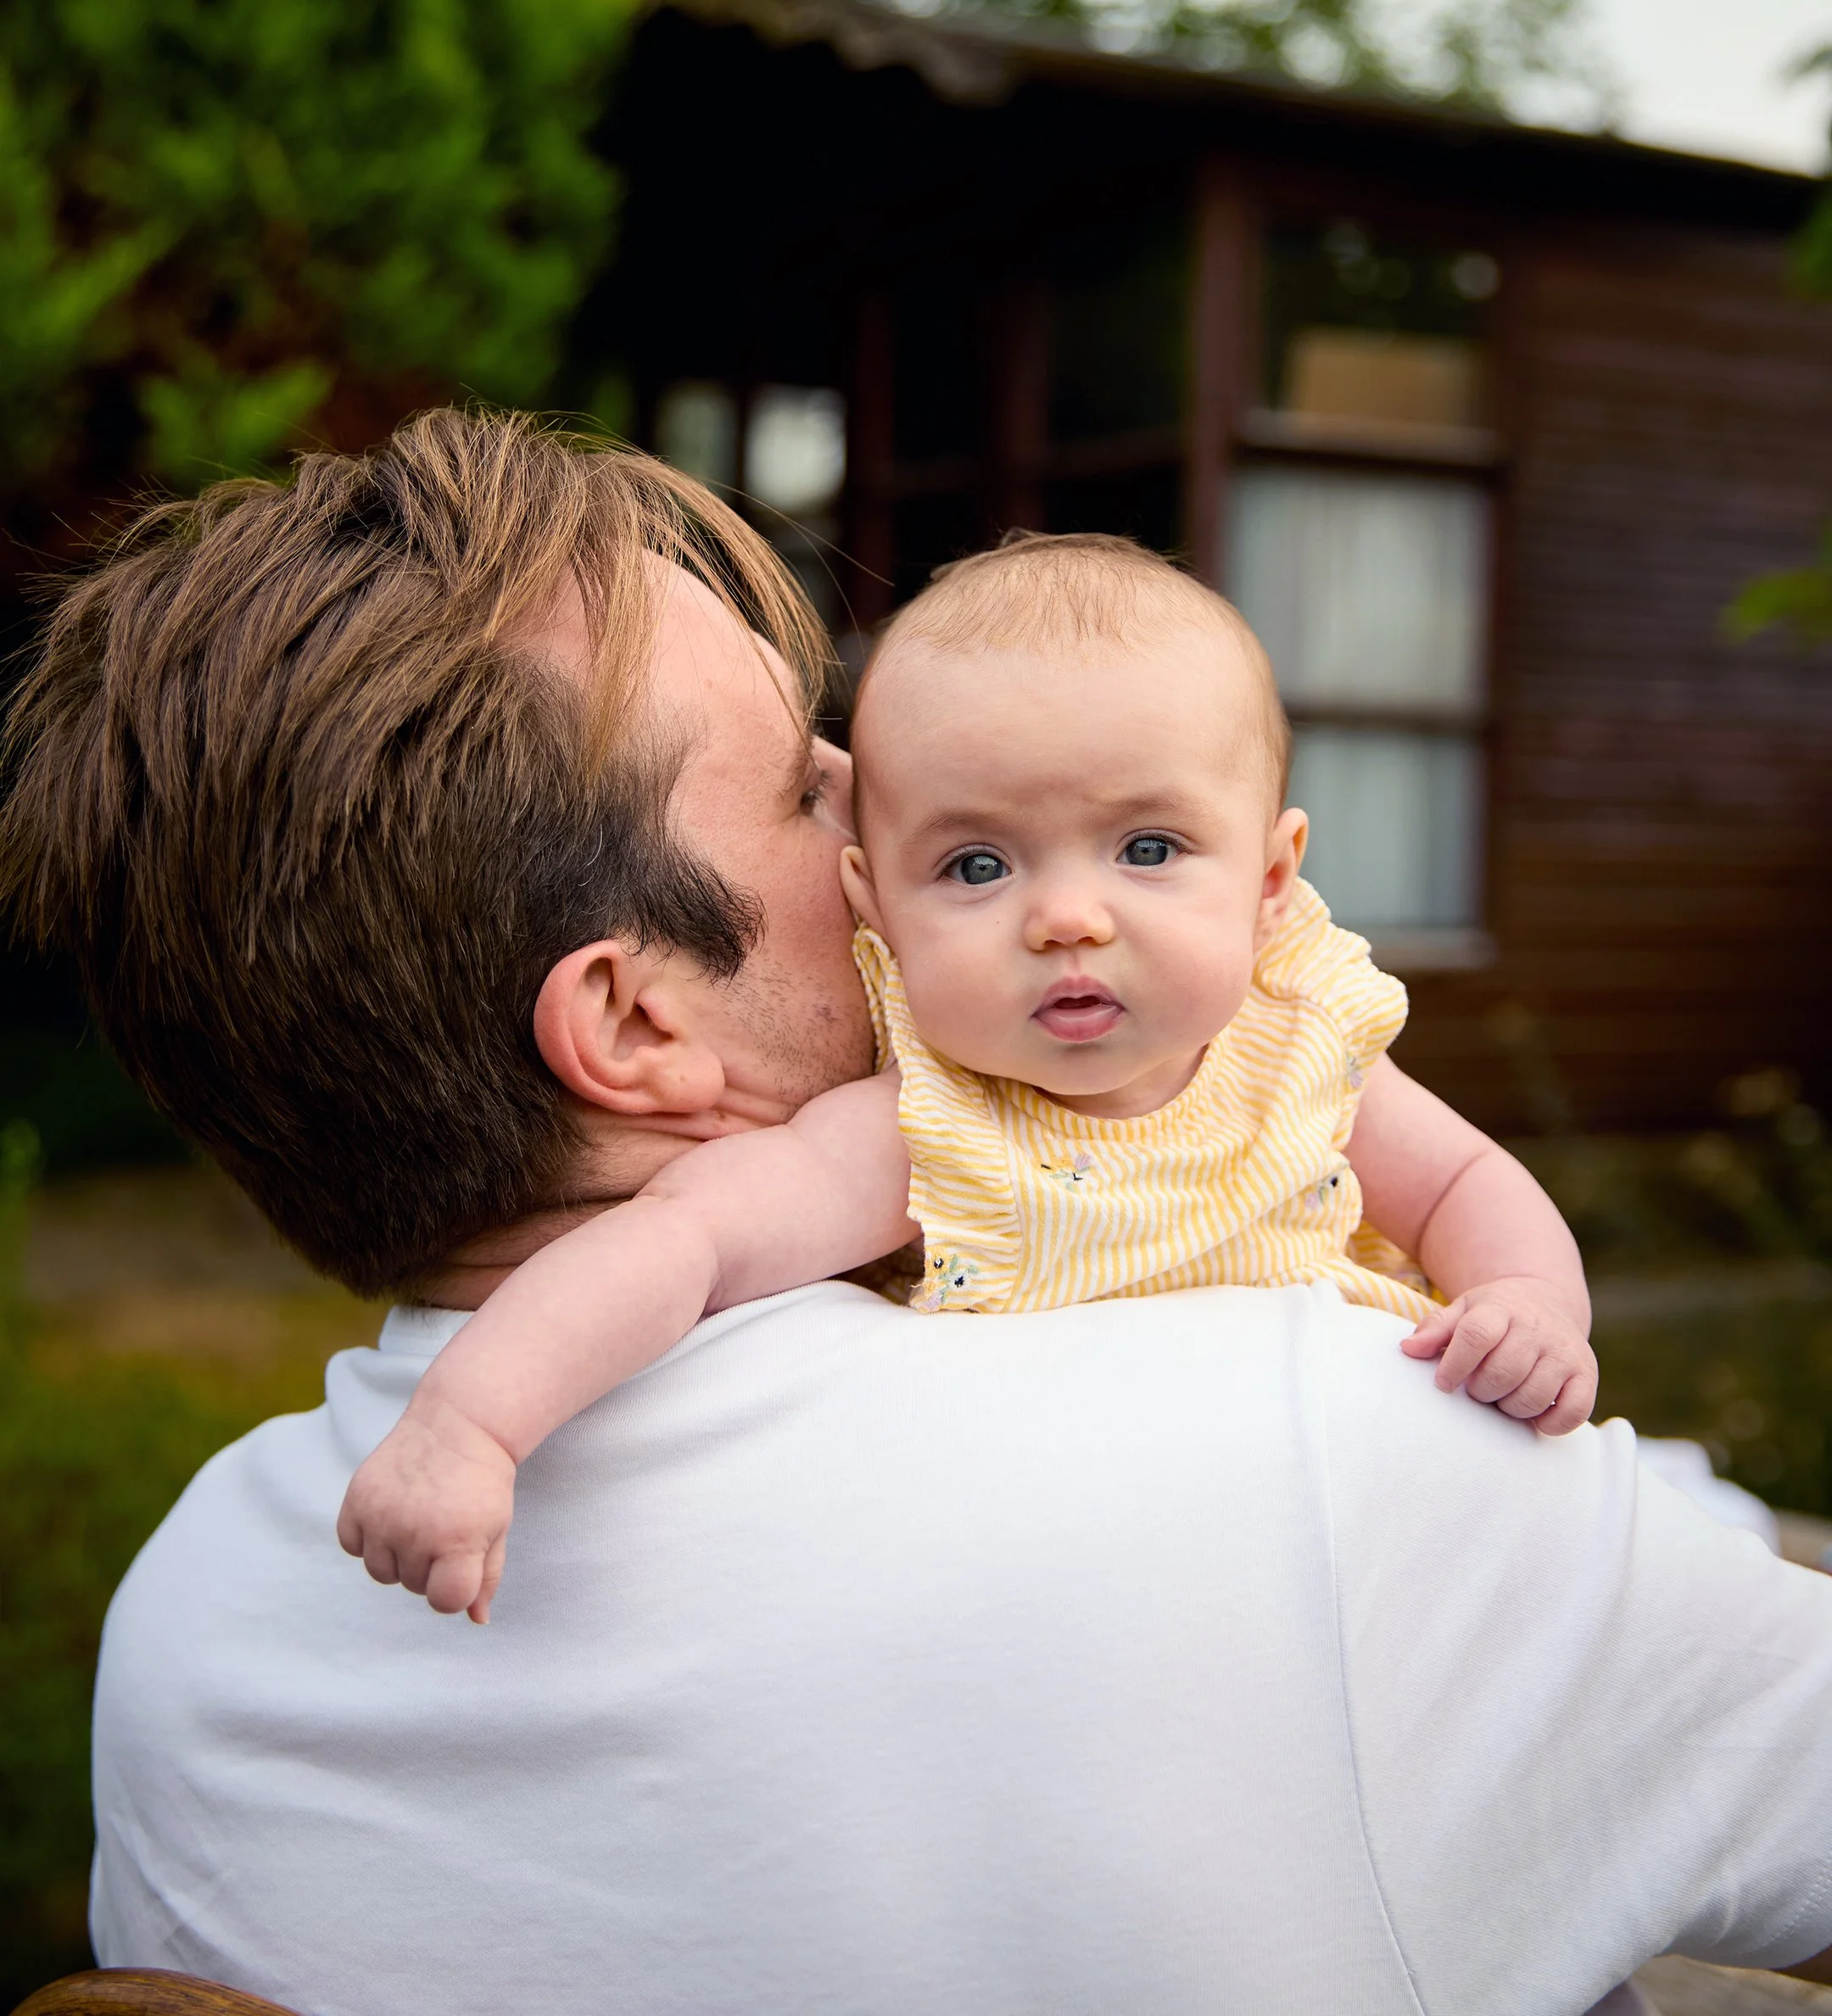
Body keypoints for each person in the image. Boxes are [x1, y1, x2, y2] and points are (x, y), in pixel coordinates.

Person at [4, 408, 1832, 2016]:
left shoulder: (192, 1631)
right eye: (818, 798)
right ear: (636, 1020)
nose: (909, 842)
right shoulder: (1330, 1458)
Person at [338, 534, 1597, 1625]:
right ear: (875, 903)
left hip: (1391, 1521)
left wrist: (1532, 1304)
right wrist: (473, 1424)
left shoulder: (1300, 1050)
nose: (1066, 918)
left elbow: (1466, 1184)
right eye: (978, 868)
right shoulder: (918, 1132)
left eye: (1147, 848)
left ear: (1271, 882)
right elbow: (684, 1245)